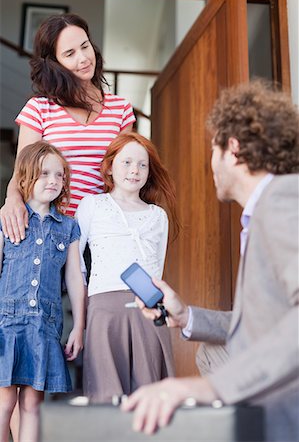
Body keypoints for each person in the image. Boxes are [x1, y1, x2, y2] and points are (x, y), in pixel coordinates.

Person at [121, 80, 299, 442]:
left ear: (232, 149)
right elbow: (267, 324)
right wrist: (186, 316)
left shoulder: (282, 200)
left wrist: (208, 389)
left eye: (213, 148)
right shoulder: (262, 214)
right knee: (210, 350)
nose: (211, 162)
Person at [0, 13, 135, 244]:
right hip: (49, 228)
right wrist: (12, 200)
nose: (83, 58)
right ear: (54, 63)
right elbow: (23, 173)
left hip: (102, 232)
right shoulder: (39, 109)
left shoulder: (120, 109)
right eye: (70, 54)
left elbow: (126, 177)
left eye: (85, 47)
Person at [76, 131, 180, 403]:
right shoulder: (92, 205)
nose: (135, 170)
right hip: (103, 308)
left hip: (148, 309)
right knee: (106, 395)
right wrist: (80, 315)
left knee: (151, 395)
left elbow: (158, 270)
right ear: (110, 166)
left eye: (142, 165)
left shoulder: (158, 216)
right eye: (127, 162)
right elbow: (75, 265)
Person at [0, 142, 85, 442]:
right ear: (24, 178)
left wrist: (79, 327)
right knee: (4, 402)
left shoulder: (69, 228)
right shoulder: (7, 220)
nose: (53, 180)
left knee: (32, 404)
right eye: (44, 173)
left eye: (59, 175)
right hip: (6, 325)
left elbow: (75, 278)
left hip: (44, 327)